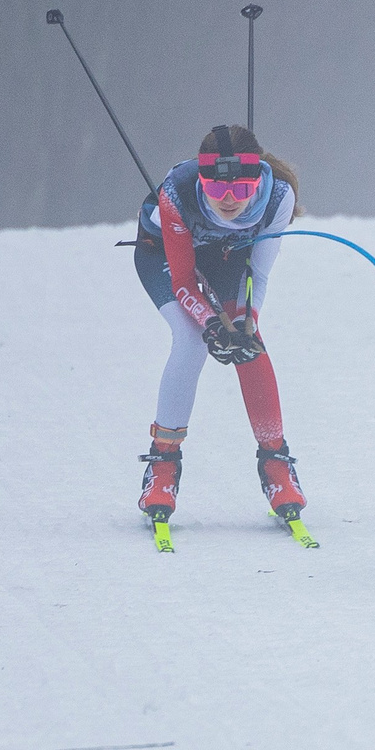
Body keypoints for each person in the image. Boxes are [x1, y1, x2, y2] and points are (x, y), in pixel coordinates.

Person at [133, 123, 308, 523]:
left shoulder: (278, 196)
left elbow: (258, 276)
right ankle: (163, 464)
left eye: (241, 191)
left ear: (258, 179)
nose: (228, 201)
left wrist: (244, 324)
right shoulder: (175, 192)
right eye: (215, 191)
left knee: (249, 342)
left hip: (226, 259)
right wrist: (211, 325)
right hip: (164, 255)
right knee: (193, 340)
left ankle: (277, 465)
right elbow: (182, 280)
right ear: (202, 182)